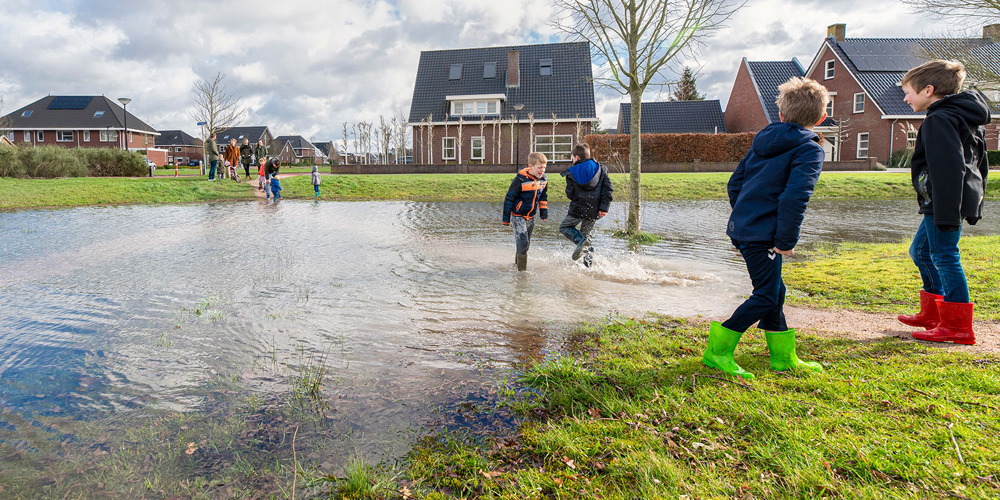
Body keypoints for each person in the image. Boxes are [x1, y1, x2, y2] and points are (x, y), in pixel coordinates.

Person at [702, 76, 829, 380]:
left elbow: (735, 185)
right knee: (767, 295)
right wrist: (785, 240)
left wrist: (746, 217)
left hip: (747, 230)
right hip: (766, 236)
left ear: (781, 115)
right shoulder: (809, 150)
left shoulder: (761, 142)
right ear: (822, 117)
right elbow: (795, 197)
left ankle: (783, 358)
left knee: (775, 291)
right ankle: (717, 352)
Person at [896, 60, 989, 346]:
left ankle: (957, 326)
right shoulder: (961, 115)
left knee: (945, 257)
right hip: (947, 200)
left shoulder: (939, 119)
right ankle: (934, 314)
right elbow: (980, 163)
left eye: (909, 91)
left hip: (943, 202)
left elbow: (950, 168)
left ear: (929, 90)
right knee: (920, 251)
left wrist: (947, 211)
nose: (905, 97)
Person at [559, 143, 613, 267]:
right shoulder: (601, 168)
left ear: (577, 157)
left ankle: (581, 242)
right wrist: (604, 207)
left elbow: (570, 193)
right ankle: (588, 266)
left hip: (577, 209)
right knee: (587, 235)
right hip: (594, 210)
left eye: (572, 157)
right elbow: (608, 189)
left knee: (565, 227)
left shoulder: (571, 172)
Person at [503, 152, 548, 271]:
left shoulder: (544, 180)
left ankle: (517, 266)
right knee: (523, 242)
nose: (542, 170)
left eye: (544, 167)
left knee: (525, 244)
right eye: (539, 167)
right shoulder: (520, 179)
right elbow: (509, 198)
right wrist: (506, 218)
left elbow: (543, 197)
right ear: (530, 166)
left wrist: (543, 213)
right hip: (518, 215)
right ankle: (522, 273)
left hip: (531, 216)